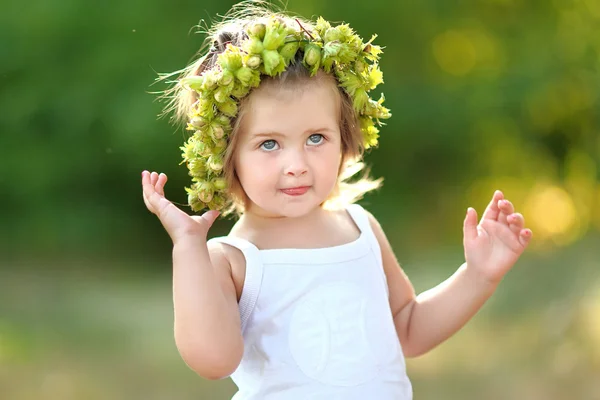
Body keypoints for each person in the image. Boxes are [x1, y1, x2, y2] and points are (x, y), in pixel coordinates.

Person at [141, 2, 532, 399]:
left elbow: (409, 328)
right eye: (269, 144)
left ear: (344, 138)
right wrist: (188, 248)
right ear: (228, 155)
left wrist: (478, 276)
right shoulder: (233, 259)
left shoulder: (359, 228)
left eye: (316, 138)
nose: (296, 165)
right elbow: (213, 361)